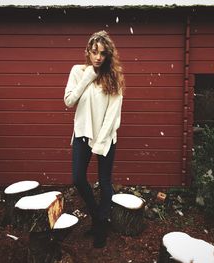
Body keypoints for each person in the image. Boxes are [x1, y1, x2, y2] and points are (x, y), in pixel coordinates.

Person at [64, 30, 125, 248]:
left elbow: (112, 114)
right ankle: (99, 217)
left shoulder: (114, 78)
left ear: (108, 55)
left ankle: (101, 227)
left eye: (102, 53)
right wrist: (88, 77)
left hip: (106, 136)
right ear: (88, 52)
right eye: (94, 52)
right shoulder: (78, 71)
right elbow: (69, 101)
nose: (98, 57)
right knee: (78, 179)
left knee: (105, 181)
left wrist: (101, 143)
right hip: (82, 133)